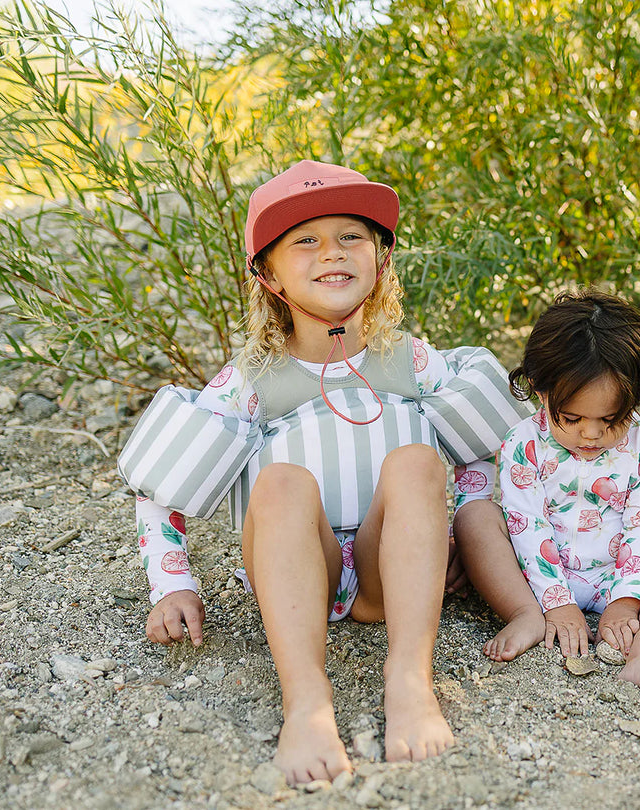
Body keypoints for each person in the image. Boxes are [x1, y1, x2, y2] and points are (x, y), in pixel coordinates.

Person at [117, 161, 531, 784]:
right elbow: (160, 482)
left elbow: (478, 447)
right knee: (281, 481)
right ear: (268, 274)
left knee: (418, 461)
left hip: (387, 579)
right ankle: (306, 702)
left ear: (381, 259)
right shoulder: (252, 379)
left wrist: (464, 534)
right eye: (304, 241)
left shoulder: (412, 362)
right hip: (298, 577)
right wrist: (171, 581)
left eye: (351, 236)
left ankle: (410, 679)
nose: (330, 253)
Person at [492, 290, 640, 708]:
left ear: (636, 399)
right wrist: (556, 603)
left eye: (611, 420)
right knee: (477, 520)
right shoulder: (524, 444)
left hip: (613, 575)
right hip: (531, 578)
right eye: (572, 419)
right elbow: (527, 526)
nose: (590, 434)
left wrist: (625, 602)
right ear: (540, 390)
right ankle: (525, 615)